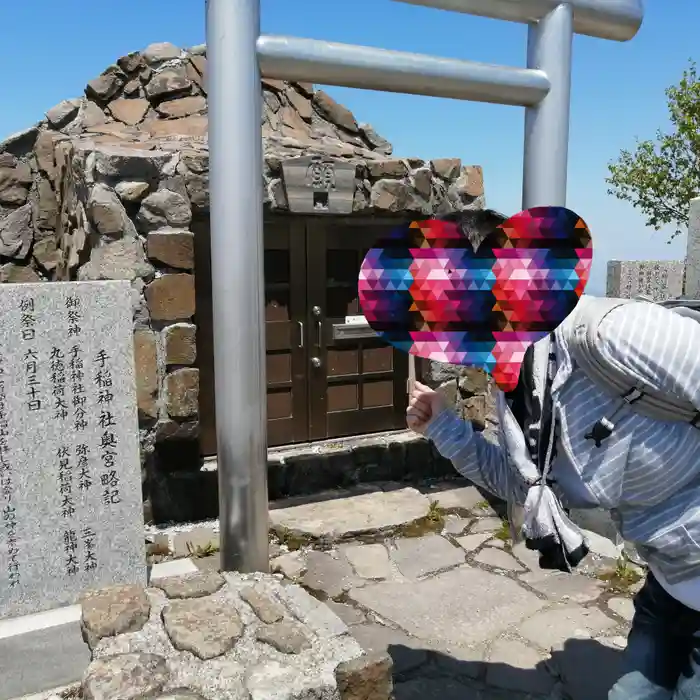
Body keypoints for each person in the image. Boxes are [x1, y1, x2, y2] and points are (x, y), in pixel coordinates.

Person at [406, 208, 700, 700]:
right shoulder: (523, 381)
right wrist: (443, 427)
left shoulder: (612, 333)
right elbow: (523, 485)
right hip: (670, 582)